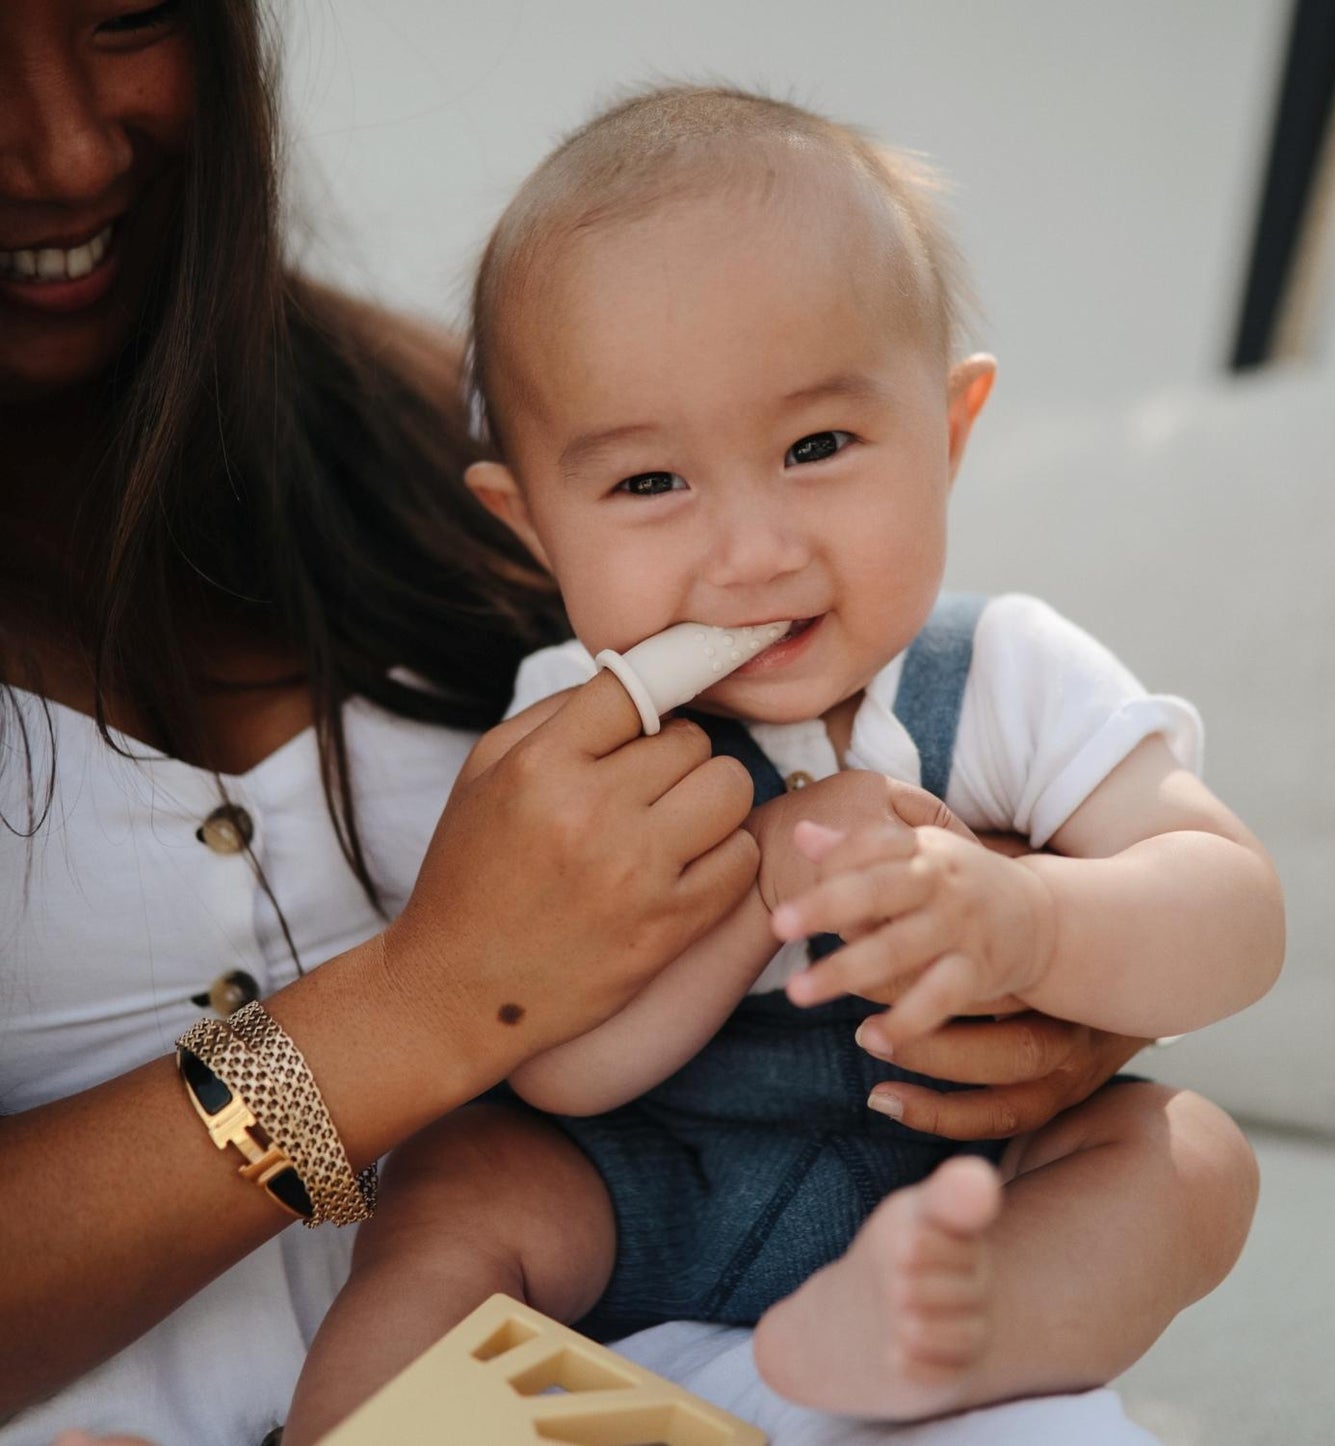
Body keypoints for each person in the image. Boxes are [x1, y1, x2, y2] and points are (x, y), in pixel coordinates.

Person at [0, 10, 1147, 1445]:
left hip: (642, 1345)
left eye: (126, 13)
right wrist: (424, 1004)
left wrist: (1054, 966)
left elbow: (974, 770)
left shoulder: (469, 432)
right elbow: (503, 1019)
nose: (62, 147)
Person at [284, 85, 1280, 1440]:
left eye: (816, 447)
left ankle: (950, 1330)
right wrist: (761, 876)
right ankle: (366, 1423)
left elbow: (1232, 917)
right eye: (649, 484)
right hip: (634, 1179)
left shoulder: (1002, 672)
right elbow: (565, 1068)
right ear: (531, 528)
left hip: (950, 1184)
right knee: (454, 1187)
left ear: (947, 432)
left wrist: (1024, 918)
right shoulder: (569, 729)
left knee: (1189, 1161)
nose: (752, 550)